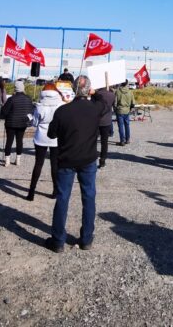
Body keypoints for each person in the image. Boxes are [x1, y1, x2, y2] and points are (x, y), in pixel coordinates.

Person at [45, 75, 102, 252]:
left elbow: (51, 135)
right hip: (88, 160)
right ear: (89, 90)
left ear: (73, 89)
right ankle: (86, 239)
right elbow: (106, 100)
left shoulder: (63, 111)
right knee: (89, 197)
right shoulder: (96, 109)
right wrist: (94, 92)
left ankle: (58, 241)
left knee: (62, 198)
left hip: (66, 160)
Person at [28, 83, 64, 201]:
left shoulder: (39, 105)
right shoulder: (61, 104)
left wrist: (30, 117)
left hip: (41, 136)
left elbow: (35, 123)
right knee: (55, 165)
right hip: (55, 137)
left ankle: (31, 192)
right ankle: (55, 190)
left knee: (38, 164)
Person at [0, 80, 34, 167]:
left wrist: (2, 116)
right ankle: (18, 160)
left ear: (15, 89)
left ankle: (7, 161)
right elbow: (31, 111)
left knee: (9, 141)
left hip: (10, 124)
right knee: (19, 141)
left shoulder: (11, 99)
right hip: (22, 123)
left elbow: (4, 111)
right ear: (23, 88)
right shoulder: (28, 99)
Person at [93, 85, 115, 168]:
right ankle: (102, 160)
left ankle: (92, 159)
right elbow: (113, 105)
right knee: (104, 142)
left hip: (96, 120)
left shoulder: (96, 94)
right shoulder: (112, 94)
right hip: (107, 121)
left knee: (93, 141)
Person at [113, 80, 134, 146]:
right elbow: (133, 103)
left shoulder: (117, 91)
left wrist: (115, 110)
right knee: (127, 125)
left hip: (119, 111)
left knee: (121, 126)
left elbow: (115, 103)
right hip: (127, 110)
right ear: (127, 83)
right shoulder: (130, 91)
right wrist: (130, 109)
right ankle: (127, 140)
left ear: (121, 83)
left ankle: (122, 141)